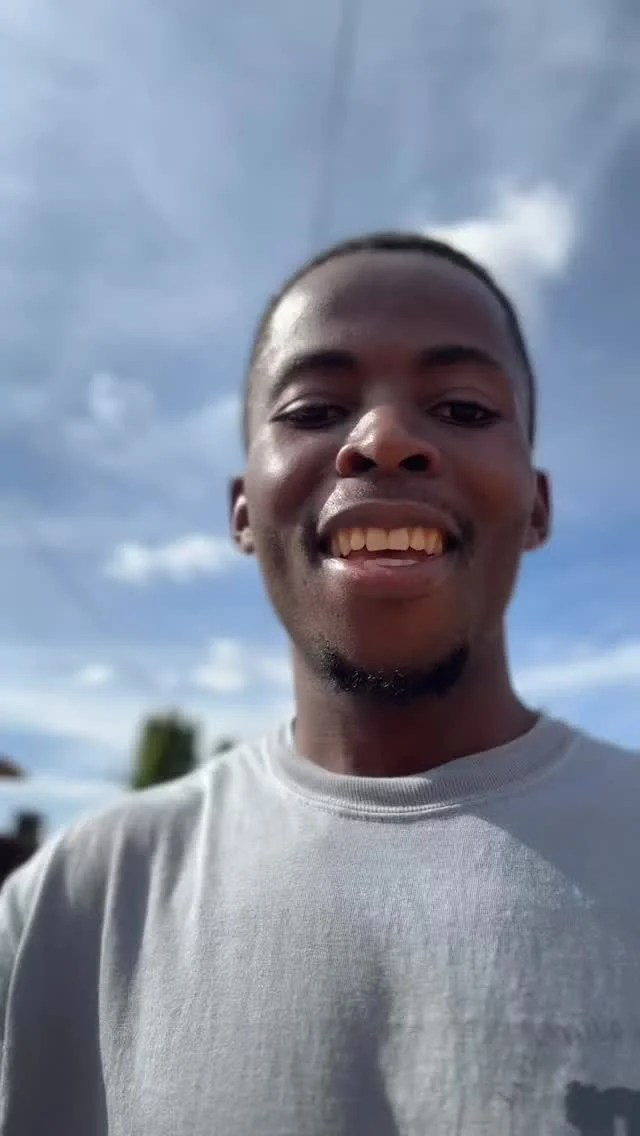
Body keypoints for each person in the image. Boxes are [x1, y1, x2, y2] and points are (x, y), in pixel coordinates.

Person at [1, 233, 639, 1136]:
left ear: (536, 507)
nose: (384, 440)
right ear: (243, 512)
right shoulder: (71, 907)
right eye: (314, 410)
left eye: (462, 408)